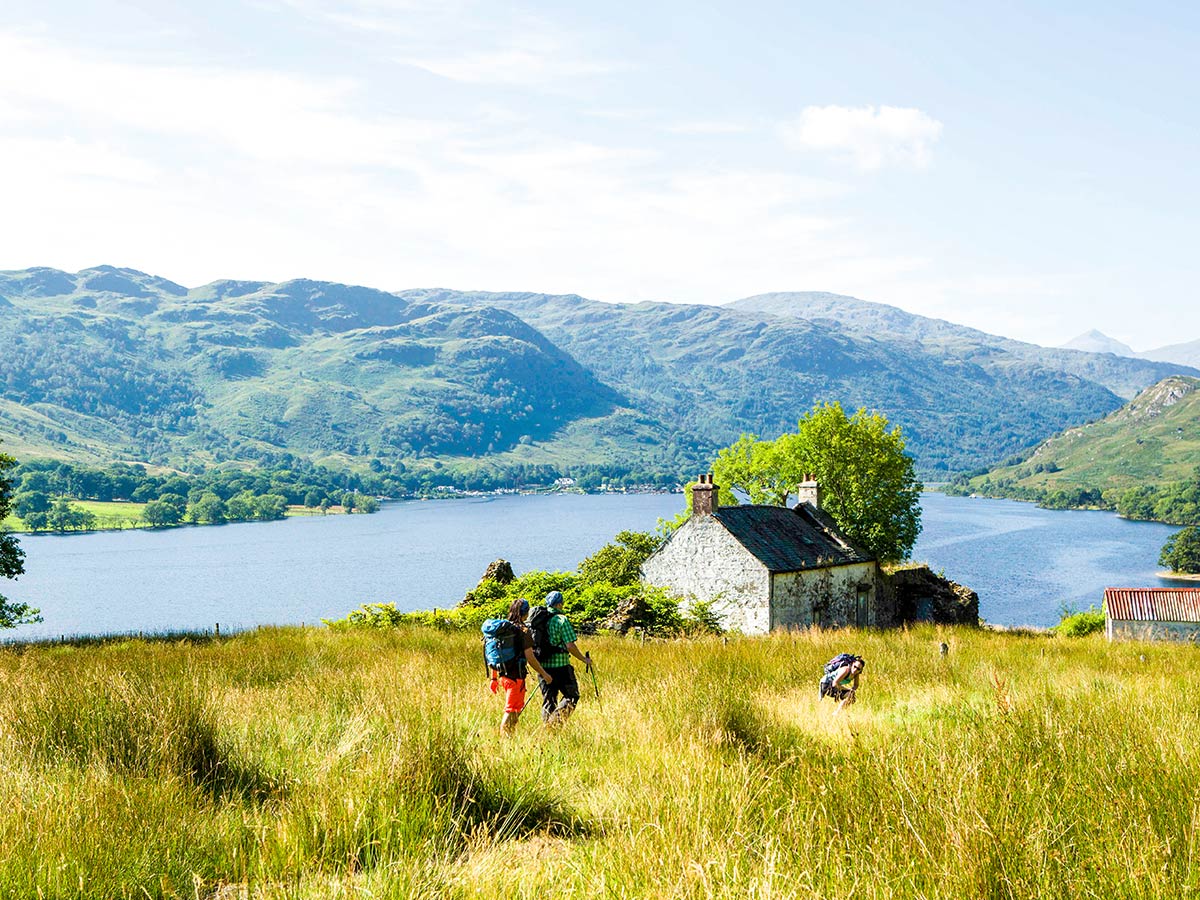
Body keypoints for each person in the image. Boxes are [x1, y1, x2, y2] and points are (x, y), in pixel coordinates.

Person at [491, 598, 553, 735]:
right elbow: (530, 658)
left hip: (503, 676)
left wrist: (493, 679)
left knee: (514, 710)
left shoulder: (503, 630)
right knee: (511, 711)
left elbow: (494, 655)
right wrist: (544, 674)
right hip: (516, 678)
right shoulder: (523, 631)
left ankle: (509, 738)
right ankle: (505, 742)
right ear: (525, 613)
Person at [534, 590, 592, 726]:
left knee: (549, 701)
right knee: (572, 696)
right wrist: (584, 659)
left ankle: (546, 728)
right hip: (561, 667)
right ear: (559, 604)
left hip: (542, 667)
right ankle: (554, 724)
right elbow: (570, 646)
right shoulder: (561, 620)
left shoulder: (539, 620)